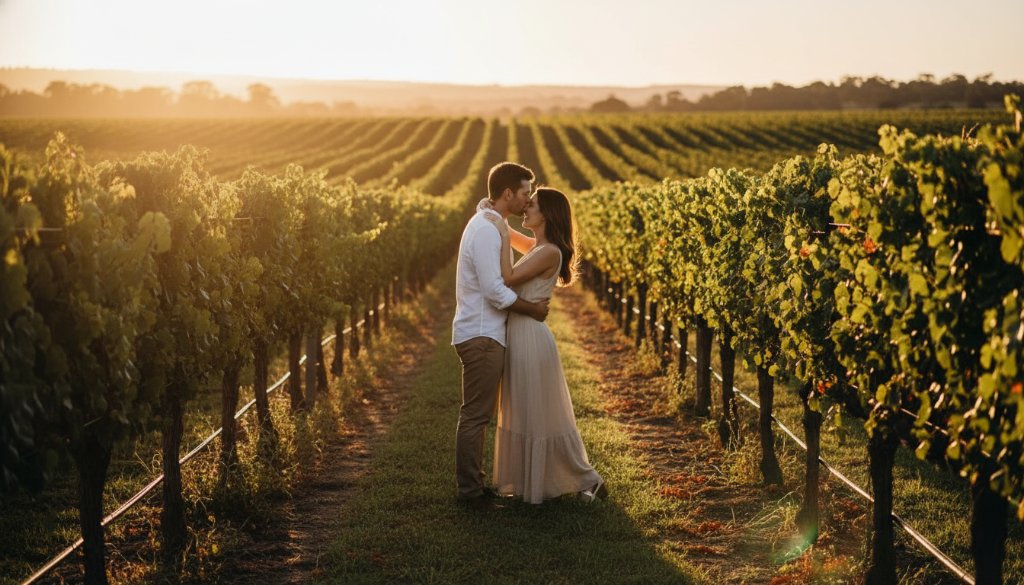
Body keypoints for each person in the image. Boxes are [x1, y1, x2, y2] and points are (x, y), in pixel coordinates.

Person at [484, 187, 607, 504]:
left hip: (530, 338)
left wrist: (497, 224)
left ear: (547, 214)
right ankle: (533, 484)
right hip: (521, 333)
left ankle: (588, 479)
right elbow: (513, 238)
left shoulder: (550, 251)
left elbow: (507, 277)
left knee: (539, 415)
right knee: (525, 411)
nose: (526, 207)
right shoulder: (539, 247)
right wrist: (496, 215)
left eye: (532, 205)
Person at [452, 162, 549, 503]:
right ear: (508, 193)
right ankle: (470, 492)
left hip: (485, 333)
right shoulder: (486, 229)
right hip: (481, 334)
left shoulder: (493, 223)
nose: (528, 200)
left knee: (479, 414)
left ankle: (475, 486)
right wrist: (534, 310)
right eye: (525, 193)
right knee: (476, 415)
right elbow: (494, 290)